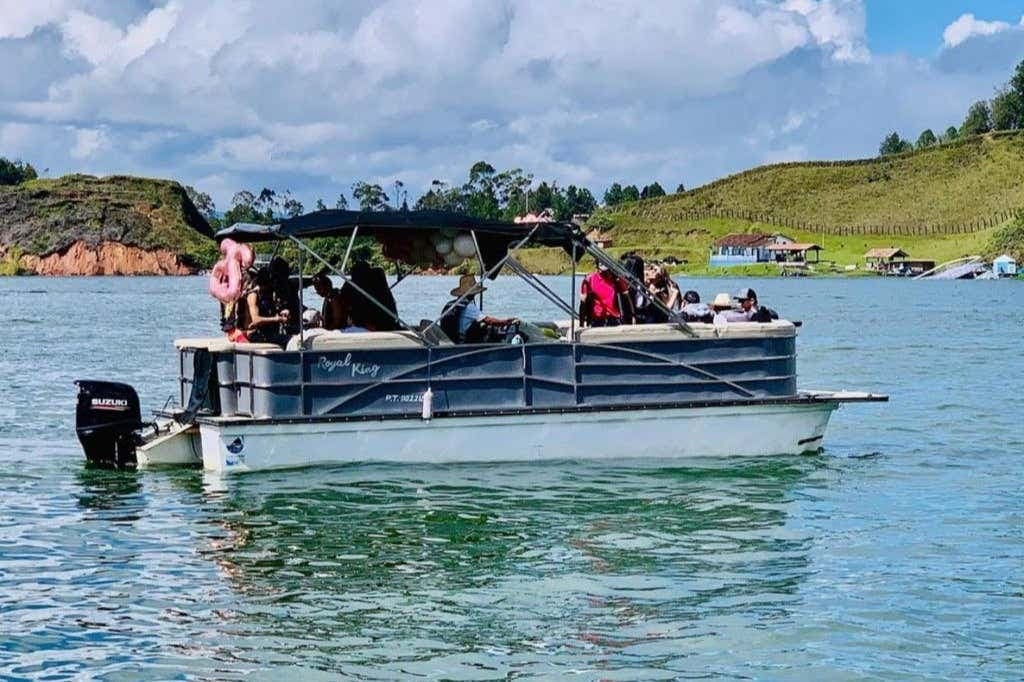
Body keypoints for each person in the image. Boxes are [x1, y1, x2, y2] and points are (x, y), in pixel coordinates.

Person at [440, 274, 517, 343]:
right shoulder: (469, 307)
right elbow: (488, 320)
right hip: (463, 341)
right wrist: (505, 322)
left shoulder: (452, 304)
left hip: (452, 339)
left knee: (481, 325)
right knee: (487, 328)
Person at [242, 266, 290, 344]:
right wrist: (276, 319)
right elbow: (256, 320)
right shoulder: (253, 295)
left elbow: (269, 312)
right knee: (289, 340)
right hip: (256, 334)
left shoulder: (268, 294)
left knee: (294, 338)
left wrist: (282, 312)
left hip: (270, 333)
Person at [579, 261, 632, 327]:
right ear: (597, 267)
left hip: (614, 319)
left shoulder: (616, 279)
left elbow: (626, 297)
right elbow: (583, 302)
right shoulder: (589, 279)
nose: (605, 273)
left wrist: (632, 317)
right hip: (597, 320)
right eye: (602, 270)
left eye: (607, 270)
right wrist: (581, 324)